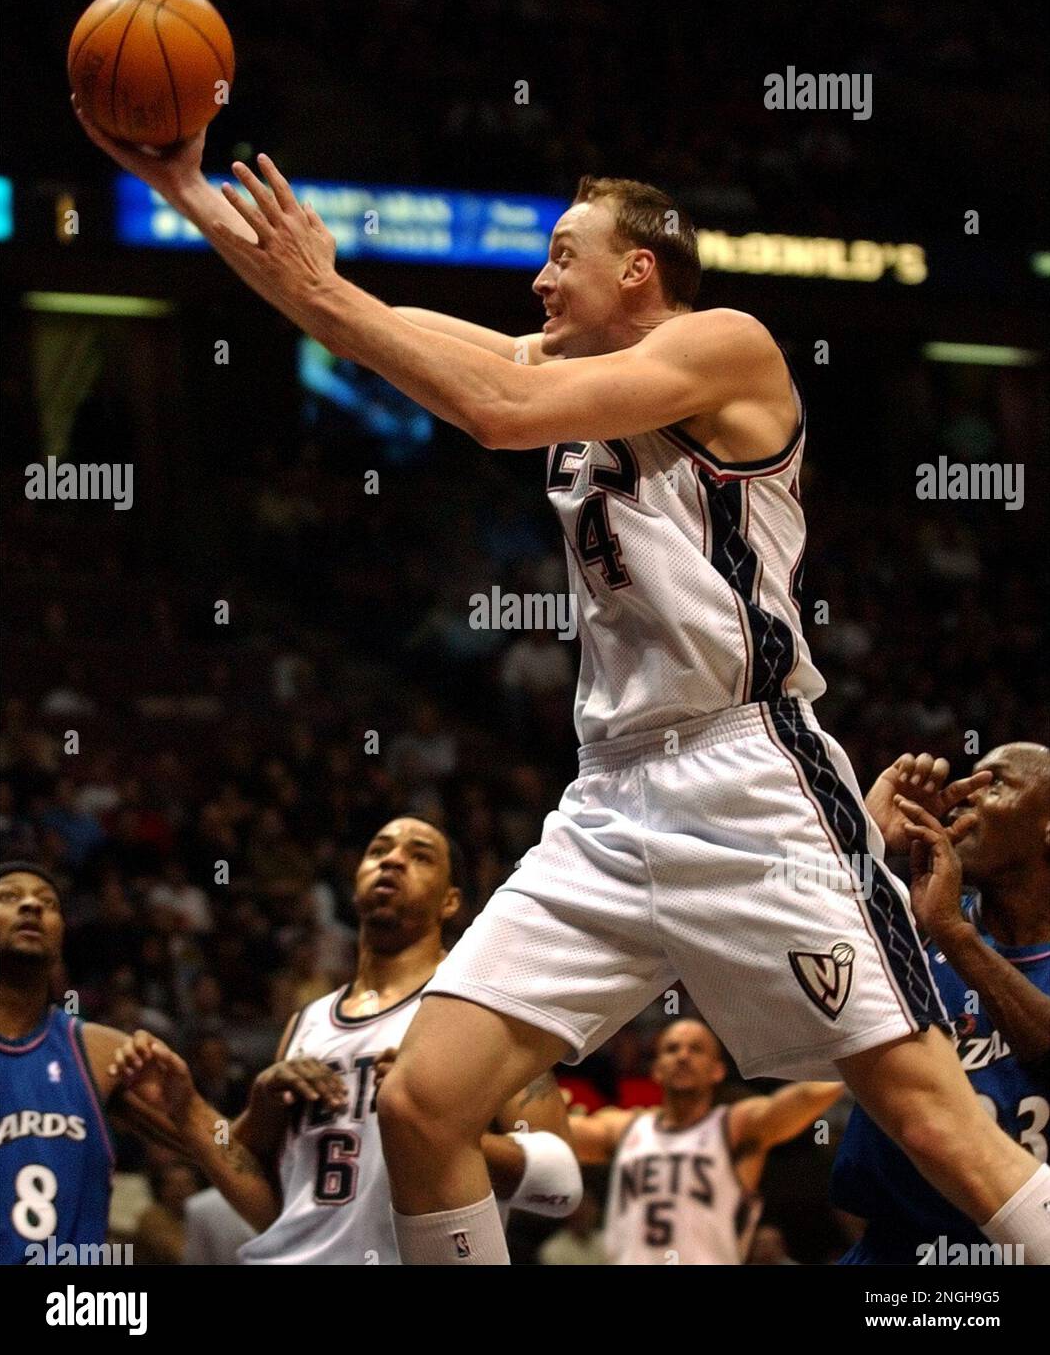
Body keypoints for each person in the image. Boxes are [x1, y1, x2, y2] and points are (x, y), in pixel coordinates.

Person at [73, 109, 1050, 1265]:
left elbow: (493, 411)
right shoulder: (566, 362)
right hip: (608, 797)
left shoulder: (726, 343)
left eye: (560, 257)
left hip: (748, 775)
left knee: (929, 1114)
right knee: (422, 1102)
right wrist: (191, 194)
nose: (537, 281)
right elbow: (367, 322)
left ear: (639, 269)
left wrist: (331, 297)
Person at [109, 817, 580, 1264]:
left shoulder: (480, 1011)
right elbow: (284, 1212)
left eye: (419, 856)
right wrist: (195, 1108)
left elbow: (560, 1183)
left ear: (451, 901)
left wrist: (439, 1121)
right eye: (379, 851)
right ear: (355, 878)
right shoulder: (306, 1021)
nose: (392, 861)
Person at [833, 745, 1050, 1263]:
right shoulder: (919, 924)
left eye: (994, 785)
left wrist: (955, 935)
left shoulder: (946, 929)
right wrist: (863, 840)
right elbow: (809, 965)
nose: (960, 802)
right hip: (893, 1252)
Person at [0, 861, 188, 1264]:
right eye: (9, 896)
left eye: (48, 902)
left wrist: (265, 1104)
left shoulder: (103, 1053)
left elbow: (223, 1146)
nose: (31, 905)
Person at [570, 1019, 841, 1264]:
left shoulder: (735, 1128)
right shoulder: (623, 1128)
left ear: (717, 1071)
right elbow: (556, 1134)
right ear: (656, 1069)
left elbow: (807, 1096)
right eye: (672, 1049)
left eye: (696, 1049)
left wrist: (850, 1048)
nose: (683, 1056)